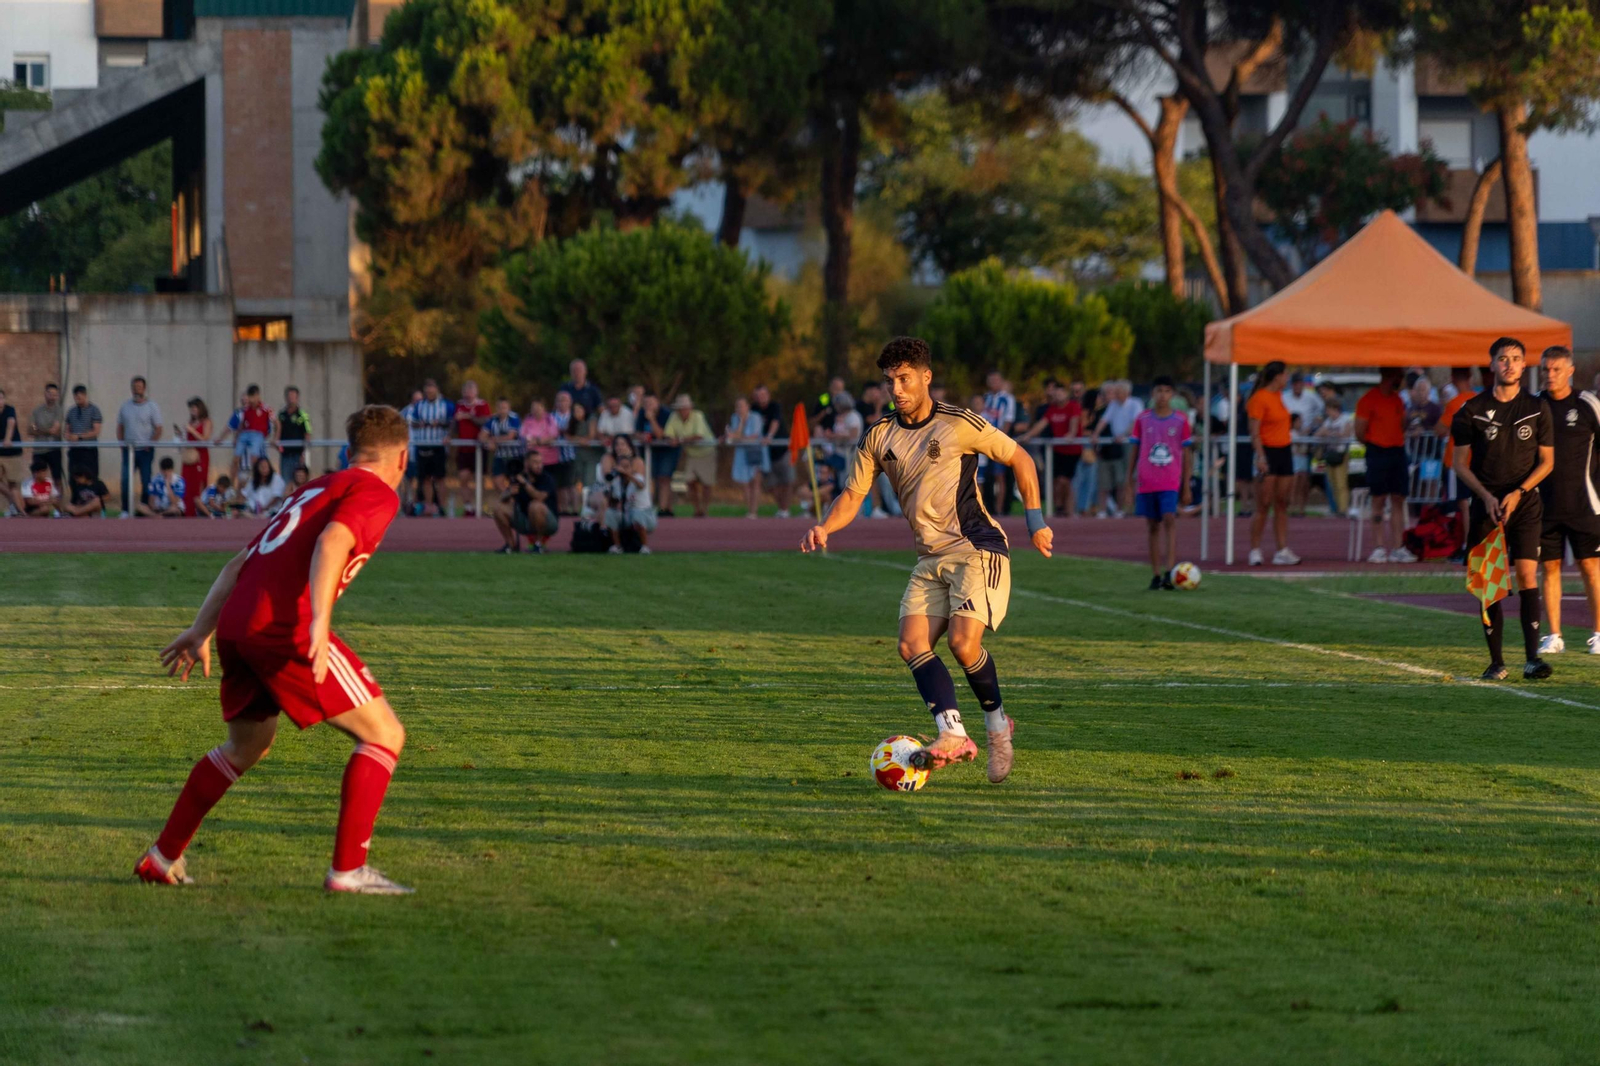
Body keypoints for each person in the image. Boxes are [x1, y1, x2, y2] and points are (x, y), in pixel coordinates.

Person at [139, 405, 414, 894]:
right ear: (403, 457)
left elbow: (238, 563)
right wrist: (320, 624)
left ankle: (162, 857)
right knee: (384, 735)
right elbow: (334, 541)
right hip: (283, 628)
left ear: (350, 453)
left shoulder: (313, 488)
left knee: (246, 746)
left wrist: (201, 630)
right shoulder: (375, 491)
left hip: (237, 626)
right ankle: (348, 872)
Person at [800, 336, 1054, 785]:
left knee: (962, 644)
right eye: (889, 380)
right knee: (911, 643)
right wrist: (825, 526)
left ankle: (997, 728)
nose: (895, 389)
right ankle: (953, 733)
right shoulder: (878, 436)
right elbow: (852, 495)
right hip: (929, 557)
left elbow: (1021, 458)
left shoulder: (959, 424)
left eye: (904, 379)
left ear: (925, 377)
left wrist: (1035, 522)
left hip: (976, 547)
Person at [1451, 337, 1555, 681]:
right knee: (1490, 583)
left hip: (1524, 505)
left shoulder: (1538, 408)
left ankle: (1532, 659)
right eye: (1502, 358)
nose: (1509, 364)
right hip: (1487, 506)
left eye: (1515, 358)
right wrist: (1486, 496)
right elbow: (1459, 464)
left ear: (1524, 365)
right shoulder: (1470, 410)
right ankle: (1497, 662)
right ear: (1492, 364)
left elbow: (1547, 462)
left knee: (1527, 573)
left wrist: (1518, 492)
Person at [1534, 346, 1600, 656]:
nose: (1550, 374)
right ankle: (1554, 635)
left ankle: (1599, 633)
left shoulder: (1588, 405)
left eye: (1556, 369)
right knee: (1550, 568)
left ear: (1570, 370)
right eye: (1546, 369)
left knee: (1590, 568)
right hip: (1544, 505)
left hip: (1585, 504)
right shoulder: (1533, 406)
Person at [1127, 376, 1193, 589]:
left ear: (1172, 394)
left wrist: (1187, 484)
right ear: (1152, 394)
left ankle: (1170, 570)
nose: (1162, 396)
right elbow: (1135, 449)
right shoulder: (1143, 419)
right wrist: (1129, 478)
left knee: (1169, 519)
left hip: (1170, 480)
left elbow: (1186, 453)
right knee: (1152, 525)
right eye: (1158, 391)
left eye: (1166, 391)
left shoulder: (1181, 420)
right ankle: (1155, 573)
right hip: (1147, 479)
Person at [1355, 367, 1417, 563]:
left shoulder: (1398, 399)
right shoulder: (1368, 399)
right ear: (1389, 376)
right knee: (1378, 500)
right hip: (1377, 451)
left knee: (1398, 499)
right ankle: (1379, 546)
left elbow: (1401, 424)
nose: (1400, 380)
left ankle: (1398, 546)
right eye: (1398, 376)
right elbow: (1359, 431)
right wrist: (1375, 442)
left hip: (1397, 451)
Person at [1245, 362, 1300, 566]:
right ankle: (1255, 549)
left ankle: (1282, 549)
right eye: (1286, 375)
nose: (1287, 379)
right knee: (1263, 504)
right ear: (1277, 377)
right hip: (1267, 452)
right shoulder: (1259, 398)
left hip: (1284, 451)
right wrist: (1260, 457)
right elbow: (1255, 433)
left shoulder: (1279, 397)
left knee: (1282, 503)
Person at [1019, 379, 1083, 517]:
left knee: (1065, 481)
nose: (1058, 396)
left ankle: (1067, 508)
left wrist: (1071, 434)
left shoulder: (1073, 406)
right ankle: (1059, 508)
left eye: (1061, 393)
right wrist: (1028, 435)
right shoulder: (1052, 409)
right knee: (1056, 481)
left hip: (1072, 451)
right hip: (1058, 451)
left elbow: (1074, 421)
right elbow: (1042, 424)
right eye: (1056, 393)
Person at [1437, 366, 1481, 562]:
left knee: (1463, 505)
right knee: (1472, 504)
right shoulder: (1480, 400)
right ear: (1470, 377)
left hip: (1458, 461)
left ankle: (1467, 545)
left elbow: (1440, 429)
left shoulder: (1454, 403)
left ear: (1453, 378)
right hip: (1477, 459)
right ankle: (1472, 544)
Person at [492, 450, 559, 554]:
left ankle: (538, 545)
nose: (539, 466)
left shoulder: (547, 478)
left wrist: (525, 484)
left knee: (535, 505)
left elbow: (539, 497)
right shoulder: (519, 477)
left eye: (541, 462)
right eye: (535, 462)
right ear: (526, 463)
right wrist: (509, 492)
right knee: (498, 508)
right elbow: (503, 498)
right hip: (525, 520)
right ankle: (510, 545)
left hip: (548, 522)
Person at [117, 376, 163, 516]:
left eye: (139, 387)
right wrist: (121, 444)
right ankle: (125, 510)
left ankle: (143, 510)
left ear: (144, 388)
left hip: (145, 451)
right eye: (134, 387)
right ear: (131, 389)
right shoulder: (125, 406)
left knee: (146, 480)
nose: (137, 390)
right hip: (128, 451)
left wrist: (151, 443)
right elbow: (120, 427)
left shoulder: (152, 406)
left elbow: (159, 428)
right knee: (125, 481)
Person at [406, 379, 453, 516]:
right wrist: (422, 424)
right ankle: (429, 505)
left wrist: (439, 424)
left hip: (438, 444)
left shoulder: (446, 405)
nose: (429, 392)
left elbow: (452, 423)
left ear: (437, 390)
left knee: (439, 477)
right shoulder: (419, 405)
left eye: (431, 390)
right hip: (423, 444)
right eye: (427, 390)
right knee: (425, 478)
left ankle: (442, 507)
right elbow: (413, 423)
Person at [600, 437, 655, 553]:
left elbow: (641, 485)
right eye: (622, 467)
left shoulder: (636, 478)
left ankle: (645, 547)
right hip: (626, 514)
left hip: (644, 515)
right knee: (610, 513)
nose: (623, 470)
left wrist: (628, 475)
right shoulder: (617, 482)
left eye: (627, 467)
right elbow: (614, 501)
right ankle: (617, 546)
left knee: (637, 513)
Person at [665, 394, 715, 518]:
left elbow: (699, 436)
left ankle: (705, 509)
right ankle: (697, 509)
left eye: (685, 407)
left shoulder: (698, 415)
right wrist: (671, 439)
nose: (683, 410)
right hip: (691, 454)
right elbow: (668, 433)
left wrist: (679, 440)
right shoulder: (674, 417)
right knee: (689, 481)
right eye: (681, 408)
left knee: (706, 483)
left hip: (706, 452)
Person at [1280, 372, 1324, 516]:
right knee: (1291, 479)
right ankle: (1289, 506)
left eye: (1299, 383)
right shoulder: (1284, 397)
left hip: (1306, 438)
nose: (1297, 386)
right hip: (1288, 439)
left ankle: (1301, 508)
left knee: (1304, 478)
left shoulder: (1311, 397)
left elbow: (1321, 410)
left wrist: (1312, 426)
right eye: (1295, 384)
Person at [980, 371, 1019, 515]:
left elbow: (1008, 420)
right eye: (991, 380)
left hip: (998, 441)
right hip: (984, 443)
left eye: (996, 380)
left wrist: (999, 439)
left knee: (999, 475)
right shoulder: (986, 398)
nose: (993, 383)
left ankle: (1000, 509)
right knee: (984, 477)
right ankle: (987, 508)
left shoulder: (1007, 399)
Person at [750, 385, 792, 517]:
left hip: (782, 450)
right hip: (765, 455)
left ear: (768, 395)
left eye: (763, 395)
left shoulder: (775, 406)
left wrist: (769, 436)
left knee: (786, 481)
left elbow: (775, 422)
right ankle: (782, 508)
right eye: (757, 395)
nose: (760, 398)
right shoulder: (754, 409)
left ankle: (785, 509)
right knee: (771, 485)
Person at [452, 380, 492, 516]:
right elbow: (454, 423)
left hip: (479, 448)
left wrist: (469, 416)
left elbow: (486, 421)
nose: (468, 394)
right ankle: (468, 506)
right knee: (463, 477)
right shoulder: (459, 405)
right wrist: (449, 435)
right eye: (466, 391)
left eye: (471, 390)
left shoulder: (482, 405)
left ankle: (480, 505)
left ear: (476, 392)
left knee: (480, 479)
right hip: (464, 448)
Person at [726, 396, 769, 518]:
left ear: (747, 406)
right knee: (744, 483)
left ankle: (754, 511)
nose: (739, 408)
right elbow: (735, 435)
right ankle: (749, 510)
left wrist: (736, 437)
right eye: (737, 406)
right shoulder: (735, 418)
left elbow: (753, 436)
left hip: (755, 452)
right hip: (741, 454)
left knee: (755, 482)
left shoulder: (755, 417)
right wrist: (740, 423)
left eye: (741, 405)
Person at [1311, 399, 1354, 516]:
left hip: (1341, 453)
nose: (1327, 412)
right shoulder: (1327, 422)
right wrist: (1324, 433)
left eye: (1329, 409)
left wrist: (1330, 434)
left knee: (1341, 483)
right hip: (1330, 454)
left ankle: (1343, 508)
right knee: (1333, 482)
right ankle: (1336, 507)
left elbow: (1346, 434)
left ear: (1335, 409)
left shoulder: (1346, 419)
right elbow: (1317, 434)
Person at [480, 397, 524, 492]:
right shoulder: (492, 420)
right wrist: (488, 443)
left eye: (504, 408)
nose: (502, 410)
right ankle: (509, 501)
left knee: (516, 483)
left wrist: (493, 440)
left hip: (514, 456)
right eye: (500, 407)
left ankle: (515, 503)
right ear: (497, 408)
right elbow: (481, 436)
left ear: (509, 408)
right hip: (500, 456)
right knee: (497, 482)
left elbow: (510, 436)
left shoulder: (514, 418)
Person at [180, 397, 212, 516]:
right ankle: (187, 511)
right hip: (189, 456)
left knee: (199, 483)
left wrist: (192, 431)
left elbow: (205, 439)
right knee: (187, 484)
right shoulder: (190, 422)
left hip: (200, 456)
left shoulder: (206, 422)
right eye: (191, 408)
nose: (192, 410)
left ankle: (201, 510)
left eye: (194, 408)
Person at [64, 384, 103, 479]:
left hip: (88, 450)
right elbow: (67, 430)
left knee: (91, 477)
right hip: (74, 451)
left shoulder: (94, 410)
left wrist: (79, 437)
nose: (77, 398)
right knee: (73, 478)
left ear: (85, 395)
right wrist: (68, 436)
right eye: (75, 396)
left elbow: (96, 431)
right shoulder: (71, 411)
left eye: (79, 396)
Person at [29, 382, 64, 487]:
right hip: (38, 450)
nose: (52, 397)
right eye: (50, 393)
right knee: (37, 477)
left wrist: (38, 429)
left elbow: (55, 430)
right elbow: (30, 430)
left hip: (54, 449)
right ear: (45, 394)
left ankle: (59, 502)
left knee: (57, 478)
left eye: (55, 394)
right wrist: (44, 430)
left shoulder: (59, 410)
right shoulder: (37, 411)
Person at [277, 386, 312, 484]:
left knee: (299, 482)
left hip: (297, 454)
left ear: (297, 398)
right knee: (286, 481)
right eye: (289, 396)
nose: (291, 399)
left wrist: (304, 453)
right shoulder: (281, 415)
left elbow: (307, 433)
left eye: (293, 396)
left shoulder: (302, 415)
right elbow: (277, 432)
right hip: (285, 455)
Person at [0, 387, 22, 505]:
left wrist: (8, 439)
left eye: (1, 398)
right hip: (0, 453)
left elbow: (11, 423)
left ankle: (19, 512)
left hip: (12, 452)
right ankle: (11, 499)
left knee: (13, 483)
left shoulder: (10, 410)